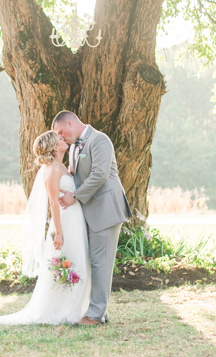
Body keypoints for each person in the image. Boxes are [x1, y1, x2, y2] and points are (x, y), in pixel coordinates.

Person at [0, 131, 91, 325]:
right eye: (60, 139)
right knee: (69, 265)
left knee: (79, 264)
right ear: (54, 146)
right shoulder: (51, 170)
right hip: (65, 222)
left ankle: (74, 309)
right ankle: (61, 312)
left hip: (75, 219)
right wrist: (59, 234)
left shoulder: (61, 166)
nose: (64, 139)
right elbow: (53, 203)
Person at [53, 111, 132, 326]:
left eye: (61, 131)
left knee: (101, 263)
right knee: (94, 262)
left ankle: (96, 315)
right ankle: (99, 311)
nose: (61, 137)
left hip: (105, 209)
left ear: (70, 122)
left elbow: (100, 174)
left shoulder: (100, 140)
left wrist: (74, 196)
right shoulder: (75, 148)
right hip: (90, 211)